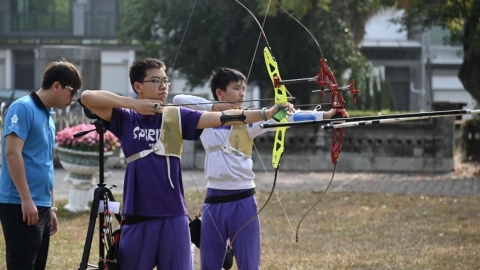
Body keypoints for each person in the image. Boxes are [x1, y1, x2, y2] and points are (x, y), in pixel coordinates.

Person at [79, 58, 292, 270]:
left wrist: (266, 113)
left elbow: (223, 117)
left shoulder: (176, 116)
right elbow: (87, 97)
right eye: (155, 81)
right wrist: (134, 104)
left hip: (174, 216)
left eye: (165, 80)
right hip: (138, 214)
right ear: (138, 87)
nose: (163, 86)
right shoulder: (126, 118)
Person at [173, 67, 349, 270]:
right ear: (220, 92)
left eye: (243, 89)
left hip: (244, 202)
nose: (241, 94)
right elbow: (179, 99)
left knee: (249, 264)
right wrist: (221, 109)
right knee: (210, 265)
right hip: (214, 203)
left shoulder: (250, 121)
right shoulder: (203, 120)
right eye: (236, 88)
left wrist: (326, 115)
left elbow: (289, 117)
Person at [0, 60, 82, 269]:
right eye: (72, 92)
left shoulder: (49, 116)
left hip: (41, 206)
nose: (73, 99)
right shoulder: (22, 108)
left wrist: (51, 206)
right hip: (19, 203)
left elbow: (45, 164)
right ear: (56, 86)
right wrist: (26, 200)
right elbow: (12, 153)